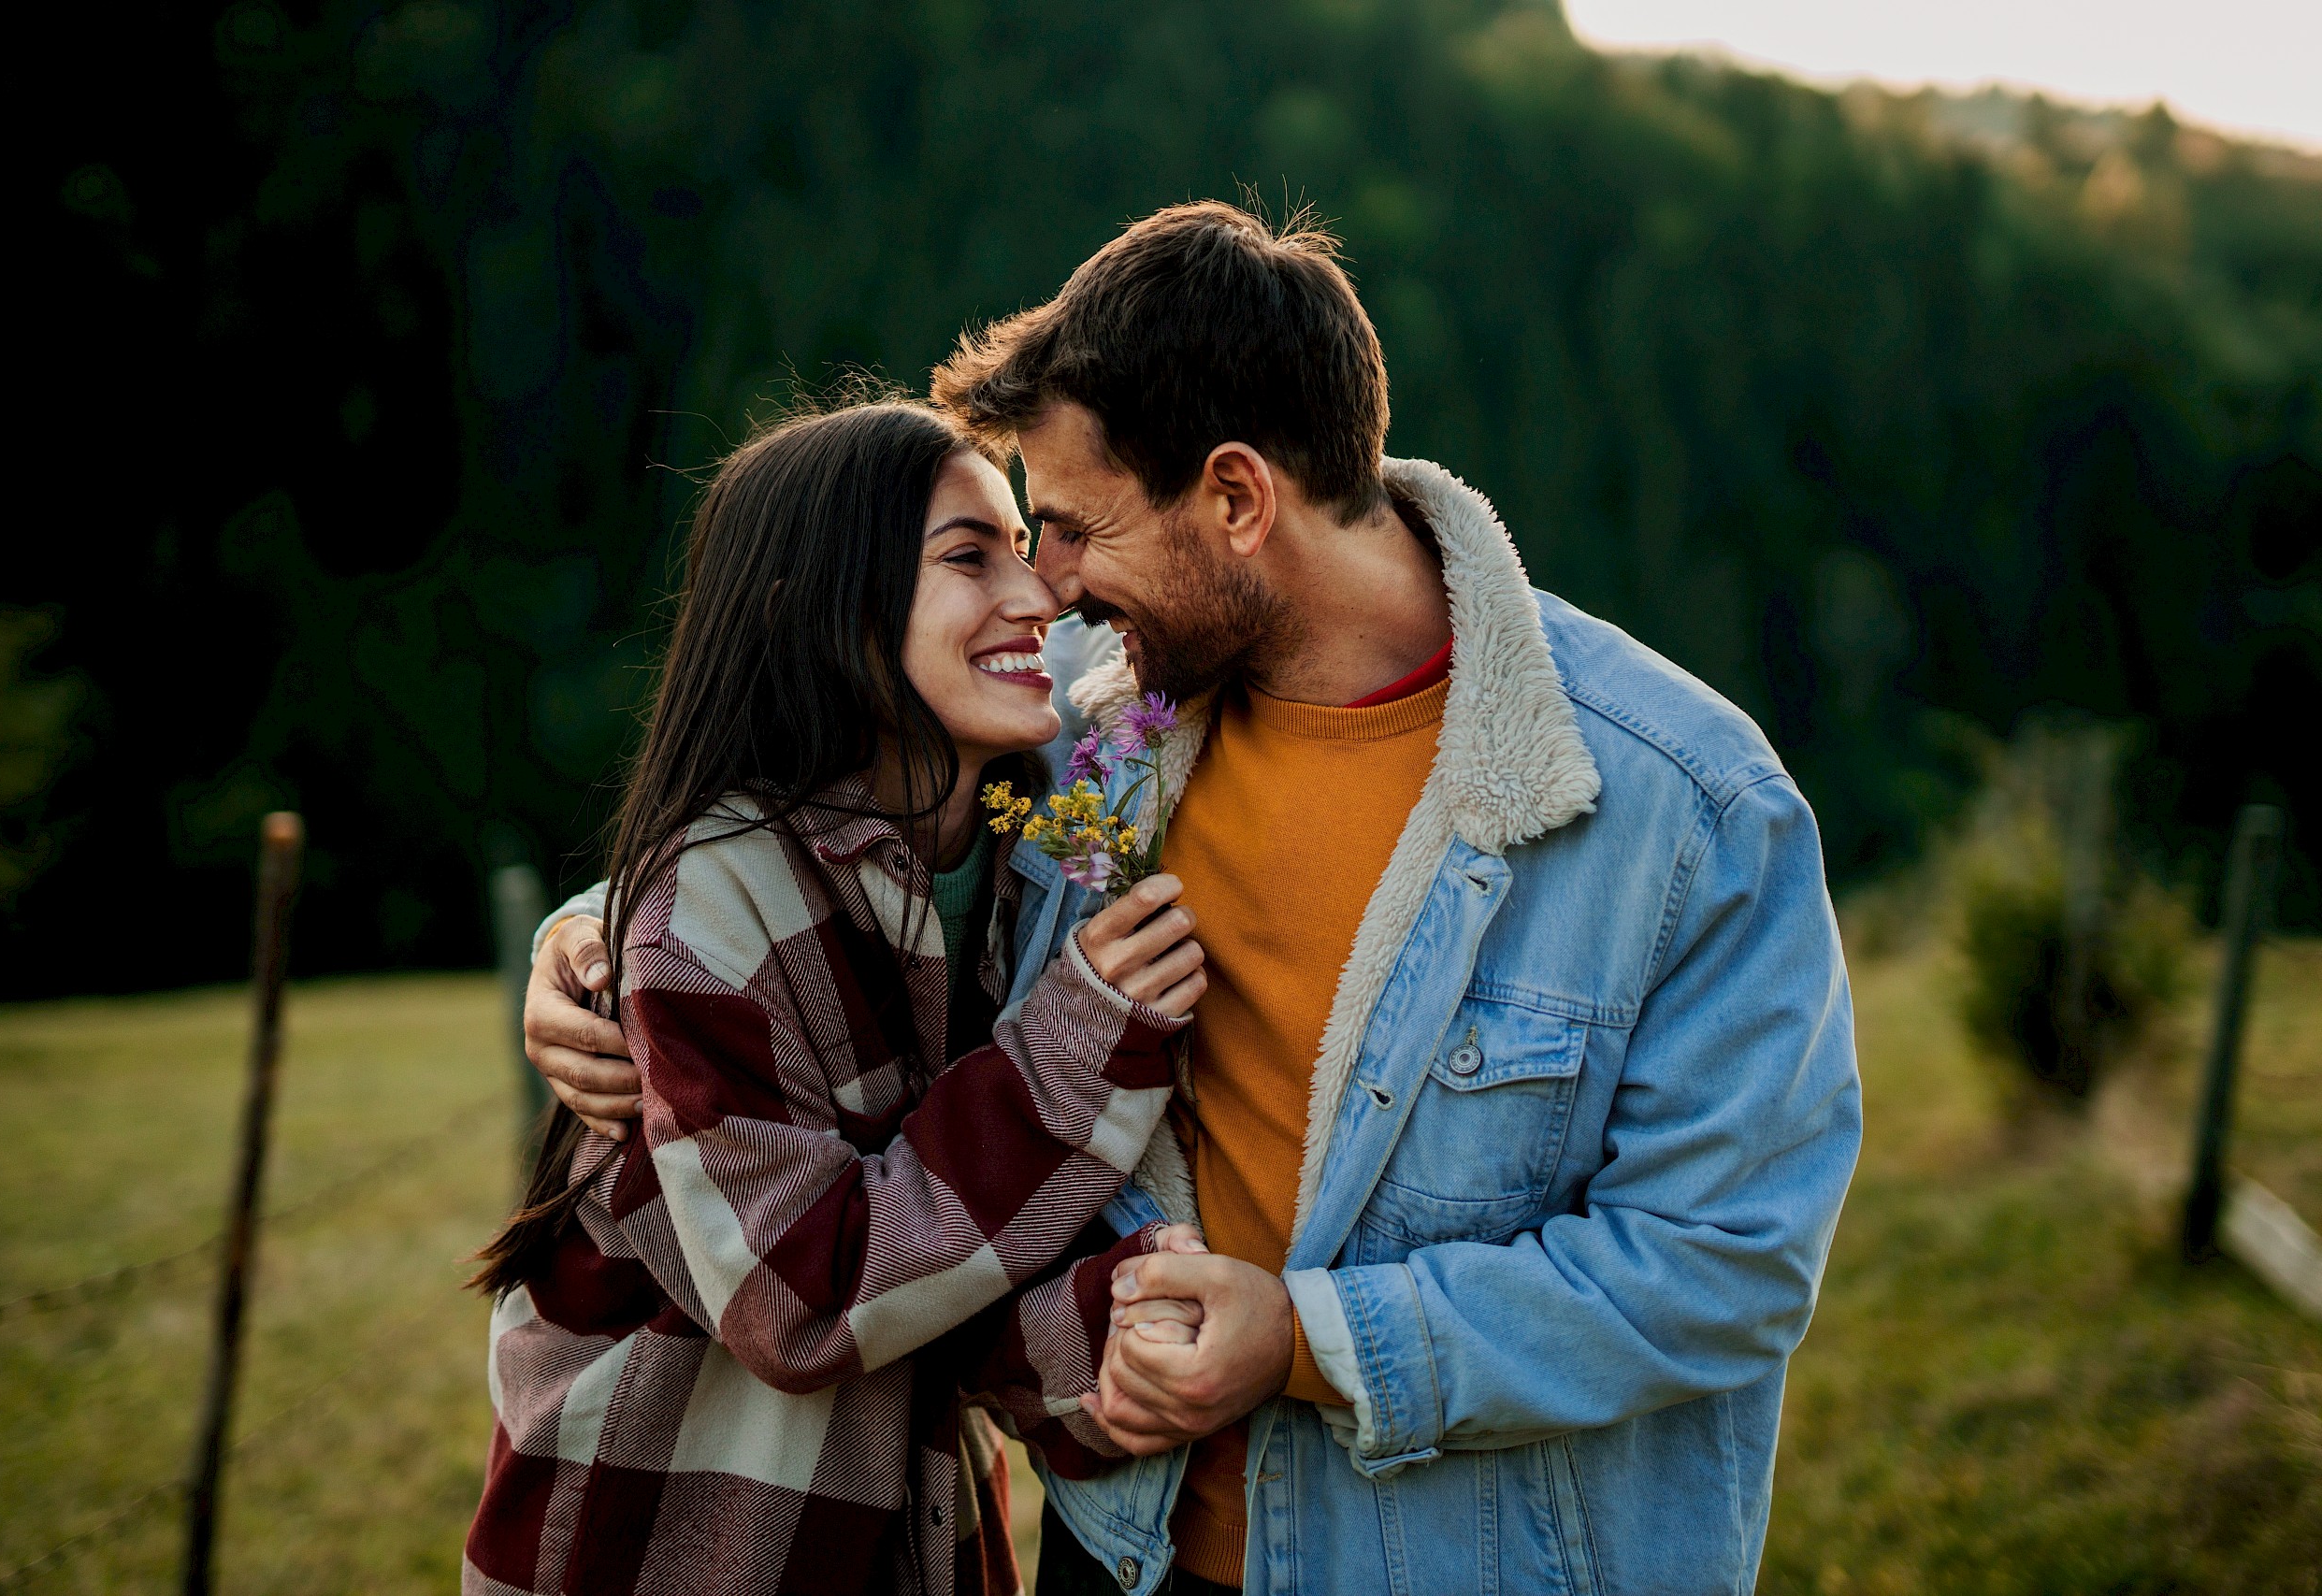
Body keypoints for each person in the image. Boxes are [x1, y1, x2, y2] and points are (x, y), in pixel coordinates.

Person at [530, 203, 1864, 1596]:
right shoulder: (1094, 726)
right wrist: (591, 944)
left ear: (1236, 500)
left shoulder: (1685, 807)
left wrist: (1307, 1339)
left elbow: (1727, 1262)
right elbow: (832, 807)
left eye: (1071, 528)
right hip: (1129, 1554)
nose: (1048, 589)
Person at [463, 396, 1214, 1596]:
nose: (1037, 595)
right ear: (824, 612)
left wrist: (1120, 1333)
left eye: (1023, 549)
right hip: (663, 1544)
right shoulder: (708, 905)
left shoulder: (1030, 877)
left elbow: (953, 1270)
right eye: (968, 558)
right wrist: (1075, 1055)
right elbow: (799, 1297)